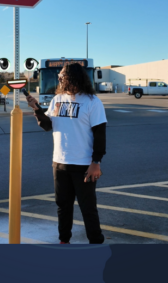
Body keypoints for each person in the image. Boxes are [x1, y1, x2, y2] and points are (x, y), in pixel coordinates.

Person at [25, 63, 107, 244]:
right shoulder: (58, 99)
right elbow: (48, 126)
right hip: (60, 163)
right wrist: (36, 109)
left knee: (88, 208)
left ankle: (95, 242)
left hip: (84, 165)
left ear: (73, 77)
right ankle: (64, 240)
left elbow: (100, 134)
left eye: (62, 75)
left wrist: (96, 162)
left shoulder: (92, 101)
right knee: (63, 206)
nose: (59, 78)